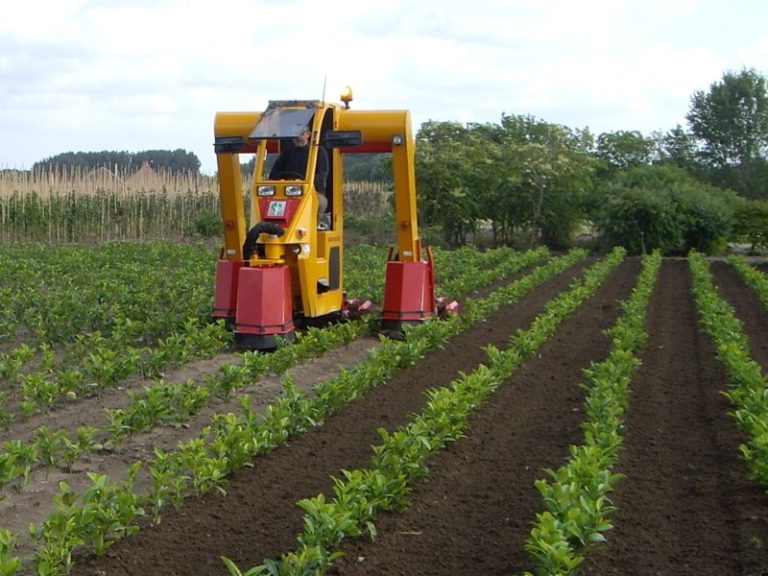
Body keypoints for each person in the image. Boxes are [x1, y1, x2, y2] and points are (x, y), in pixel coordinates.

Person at [269, 126, 329, 225]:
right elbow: (274, 175)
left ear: (308, 134)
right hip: (285, 193)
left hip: (312, 192)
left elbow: (321, 177)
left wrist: (302, 182)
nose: (297, 138)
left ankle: (314, 228)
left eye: (301, 134)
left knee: (319, 202)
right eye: (294, 135)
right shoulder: (287, 153)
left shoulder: (318, 152)